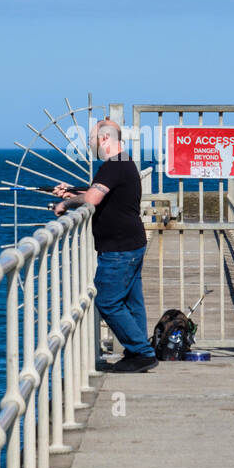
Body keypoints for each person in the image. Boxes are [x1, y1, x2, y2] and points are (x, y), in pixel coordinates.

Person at [52, 119, 157, 373]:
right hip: (131, 243)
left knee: (108, 301)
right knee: (132, 301)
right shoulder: (124, 163)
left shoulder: (113, 166)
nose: (89, 143)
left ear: (104, 139)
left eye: (91, 138)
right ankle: (138, 351)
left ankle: (142, 352)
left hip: (119, 249)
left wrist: (66, 204)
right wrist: (73, 192)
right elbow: (100, 192)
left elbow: (92, 198)